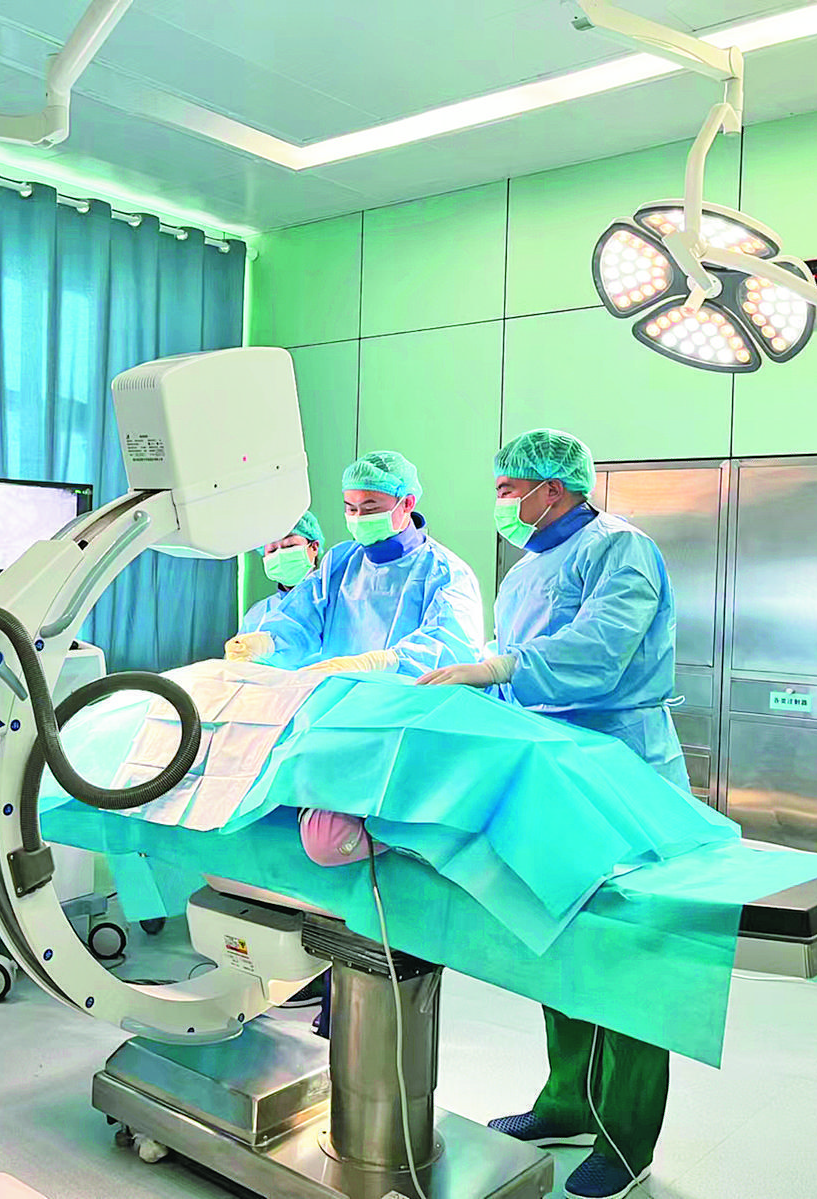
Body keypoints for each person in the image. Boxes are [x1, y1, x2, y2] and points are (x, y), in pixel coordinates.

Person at [417, 428, 688, 1199]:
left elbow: (598, 651)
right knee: (560, 937)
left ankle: (625, 1138)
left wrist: (500, 667)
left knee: (626, 953)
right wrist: (477, 676)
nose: (502, 501)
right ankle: (568, 1101)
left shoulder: (619, 549)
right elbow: (513, 653)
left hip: (622, 767)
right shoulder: (528, 564)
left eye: (510, 488)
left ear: (554, 487)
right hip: (552, 767)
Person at [224, 451, 483, 678]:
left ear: (407, 503)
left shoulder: (445, 572)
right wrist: (267, 643)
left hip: (408, 706)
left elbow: (450, 649)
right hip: (341, 702)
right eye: (351, 509)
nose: (359, 517)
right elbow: (302, 619)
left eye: (370, 509)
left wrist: (379, 664)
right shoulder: (341, 562)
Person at [239, 510, 322, 634]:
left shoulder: (335, 602)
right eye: (272, 550)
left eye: (290, 546)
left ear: (314, 547)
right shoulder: (257, 616)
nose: (280, 555)